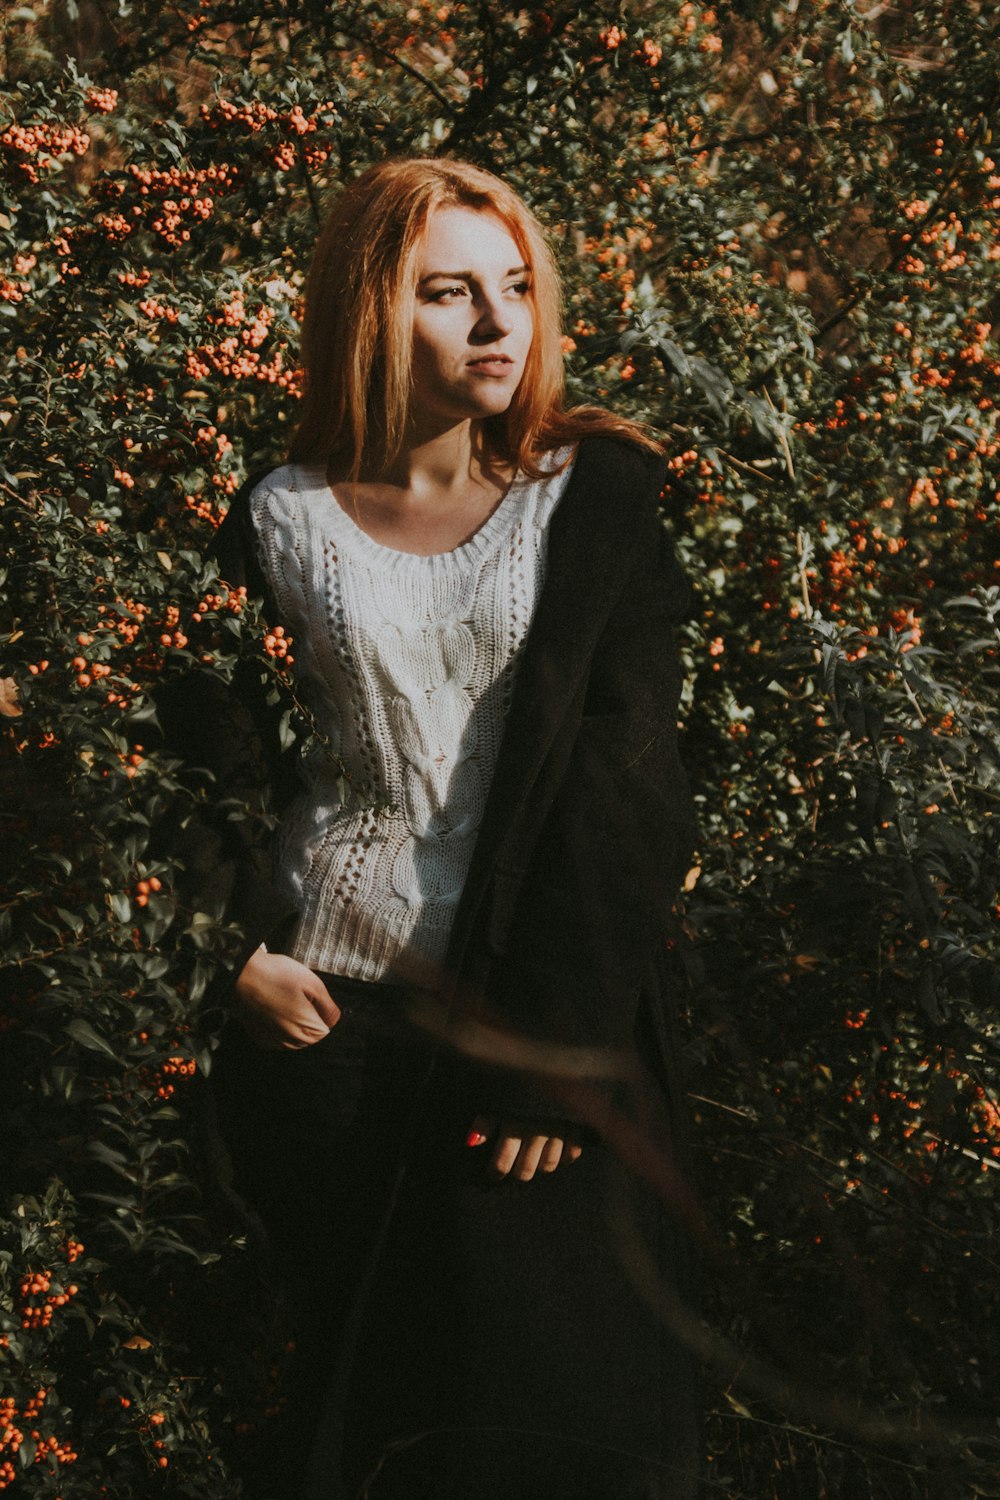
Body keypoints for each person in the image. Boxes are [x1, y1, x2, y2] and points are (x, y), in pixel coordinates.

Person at [159, 156, 701, 1500]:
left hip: (526, 1033)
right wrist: (229, 950)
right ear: (368, 312)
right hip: (327, 1029)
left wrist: (548, 1057)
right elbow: (192, 766)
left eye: (515, 288)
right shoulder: (276, 517)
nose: (496, 322)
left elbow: (627, 795)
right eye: (449, 291)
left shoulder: (594, 502)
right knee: (359, 1431)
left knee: (549, 1427)